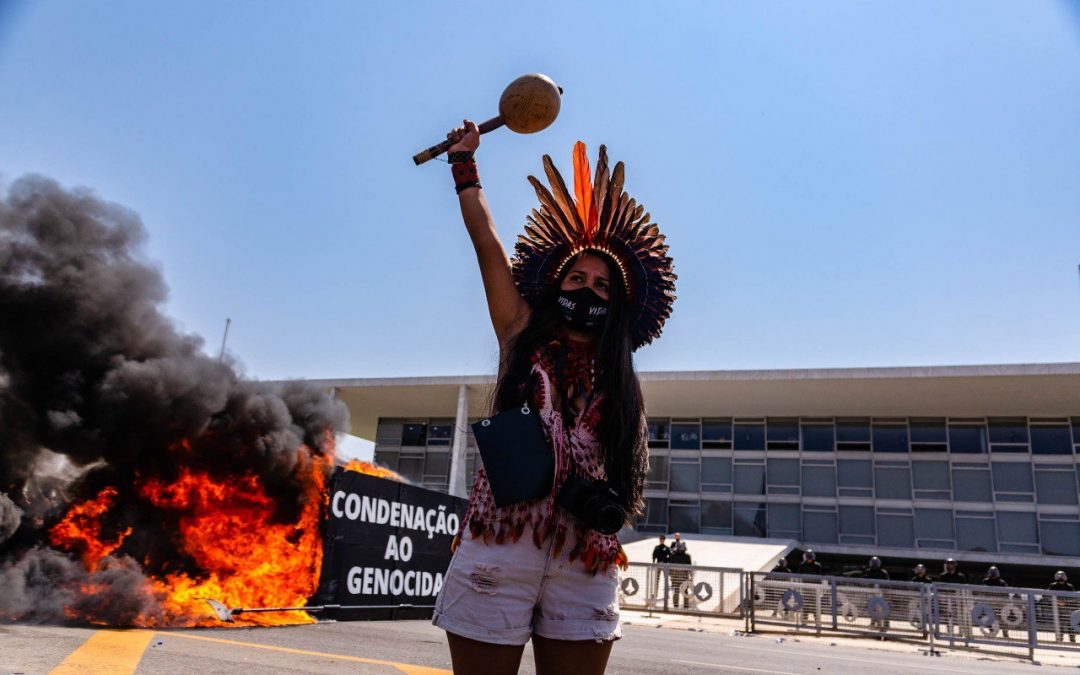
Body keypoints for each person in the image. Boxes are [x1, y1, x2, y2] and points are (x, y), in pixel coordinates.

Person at [431, 122, 677, 675]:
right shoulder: (519, 332)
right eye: (577, 277)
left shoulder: (621, 378)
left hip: (584, 557)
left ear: (615, 305)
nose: (587, 288)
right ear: (555, 282)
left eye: (602, 285)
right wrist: (464, 166)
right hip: (500, 545)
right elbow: (488, 244)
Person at [1048, 571, 1077, 643]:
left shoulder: (1069, 586)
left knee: (1070, 624)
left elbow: (1074, 597)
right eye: (1059, 579)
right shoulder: (1052, 586)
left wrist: (1065, 602)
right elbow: (1046, 595)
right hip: (1057, 608)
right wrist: (1056, 602)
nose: (1061, 581)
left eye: (1062, 579)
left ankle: (1072, 639)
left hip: (1068, 608)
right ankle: (1059, 638)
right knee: (1058, 623)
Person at [669, 543, 693, 609]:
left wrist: (670, 576)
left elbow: (670, 567)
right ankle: (685, 606)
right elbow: (690, 567)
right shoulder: (687, 556)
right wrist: (691, 577)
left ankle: (676, 606)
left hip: (676, 577)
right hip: (684, 577)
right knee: (684, 591)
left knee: (676, 591)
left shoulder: (673, 555)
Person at [650, 536, 671, 600]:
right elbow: (654, 556)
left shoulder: (667, 548)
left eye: (662, 539)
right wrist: (654, 563)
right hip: (658, 565)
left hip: (665, 565)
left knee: (666, 580)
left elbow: (670, 556)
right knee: (657, 580)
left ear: (664, 540)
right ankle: (655, 594)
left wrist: (666, 562)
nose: (661, 540)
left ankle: (666, 594)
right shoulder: (657, 547)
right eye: (660, 539)